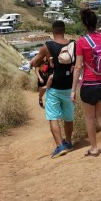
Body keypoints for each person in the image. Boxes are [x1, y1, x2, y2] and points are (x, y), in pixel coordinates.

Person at [71, 8, 101, 157]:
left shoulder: (82, 42)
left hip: (90, 84)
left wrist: (73, 90)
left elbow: (78, 67)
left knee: (90, 117)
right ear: (97, 23)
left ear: (84, 24)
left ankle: (94, 148)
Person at [31, 20, 75, 158]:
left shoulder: (47, 46)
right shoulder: (73, 44)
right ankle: (68, 142)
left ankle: (59, 146)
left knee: (53, 117)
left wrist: (42, 59)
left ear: (53, 31)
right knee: (68, 117)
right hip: (69, 86)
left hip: (54, 87)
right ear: (64, 30)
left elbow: (35, 62)